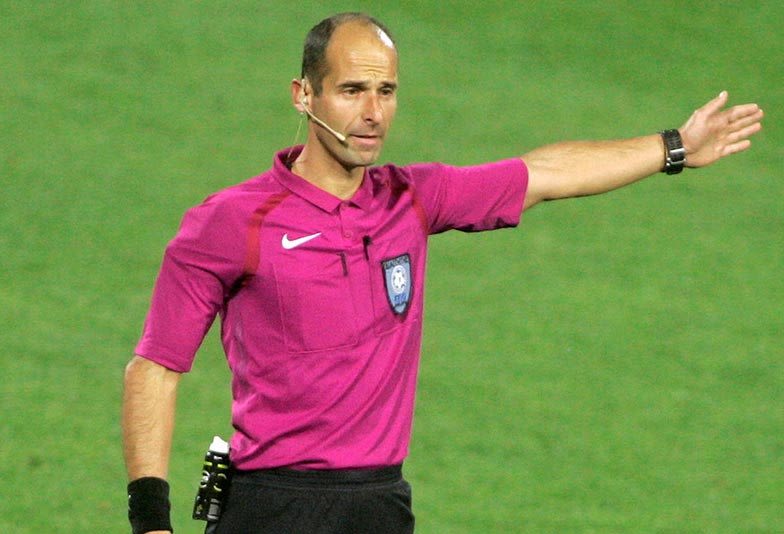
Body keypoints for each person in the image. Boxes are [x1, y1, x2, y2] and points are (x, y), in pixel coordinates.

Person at [122, 12, 763, 534]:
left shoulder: (411, 198)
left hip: (379, 504)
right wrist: (151, 520)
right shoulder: (230, 221)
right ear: (304, 94)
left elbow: (544, 174)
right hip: (274, 506)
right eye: (352, 90)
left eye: (386, 91)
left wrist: (673, 147)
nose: (373, 112)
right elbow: (155, 368)